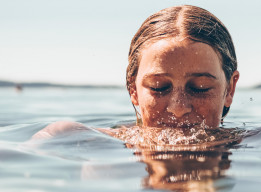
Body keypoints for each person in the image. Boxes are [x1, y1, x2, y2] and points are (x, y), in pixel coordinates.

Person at [32, 5, 239, 141]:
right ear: (133, 90)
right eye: (159, 87)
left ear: (229, 89)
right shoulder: (77, 138)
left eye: (199, 88)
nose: (178, 108)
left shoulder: (256, 144)